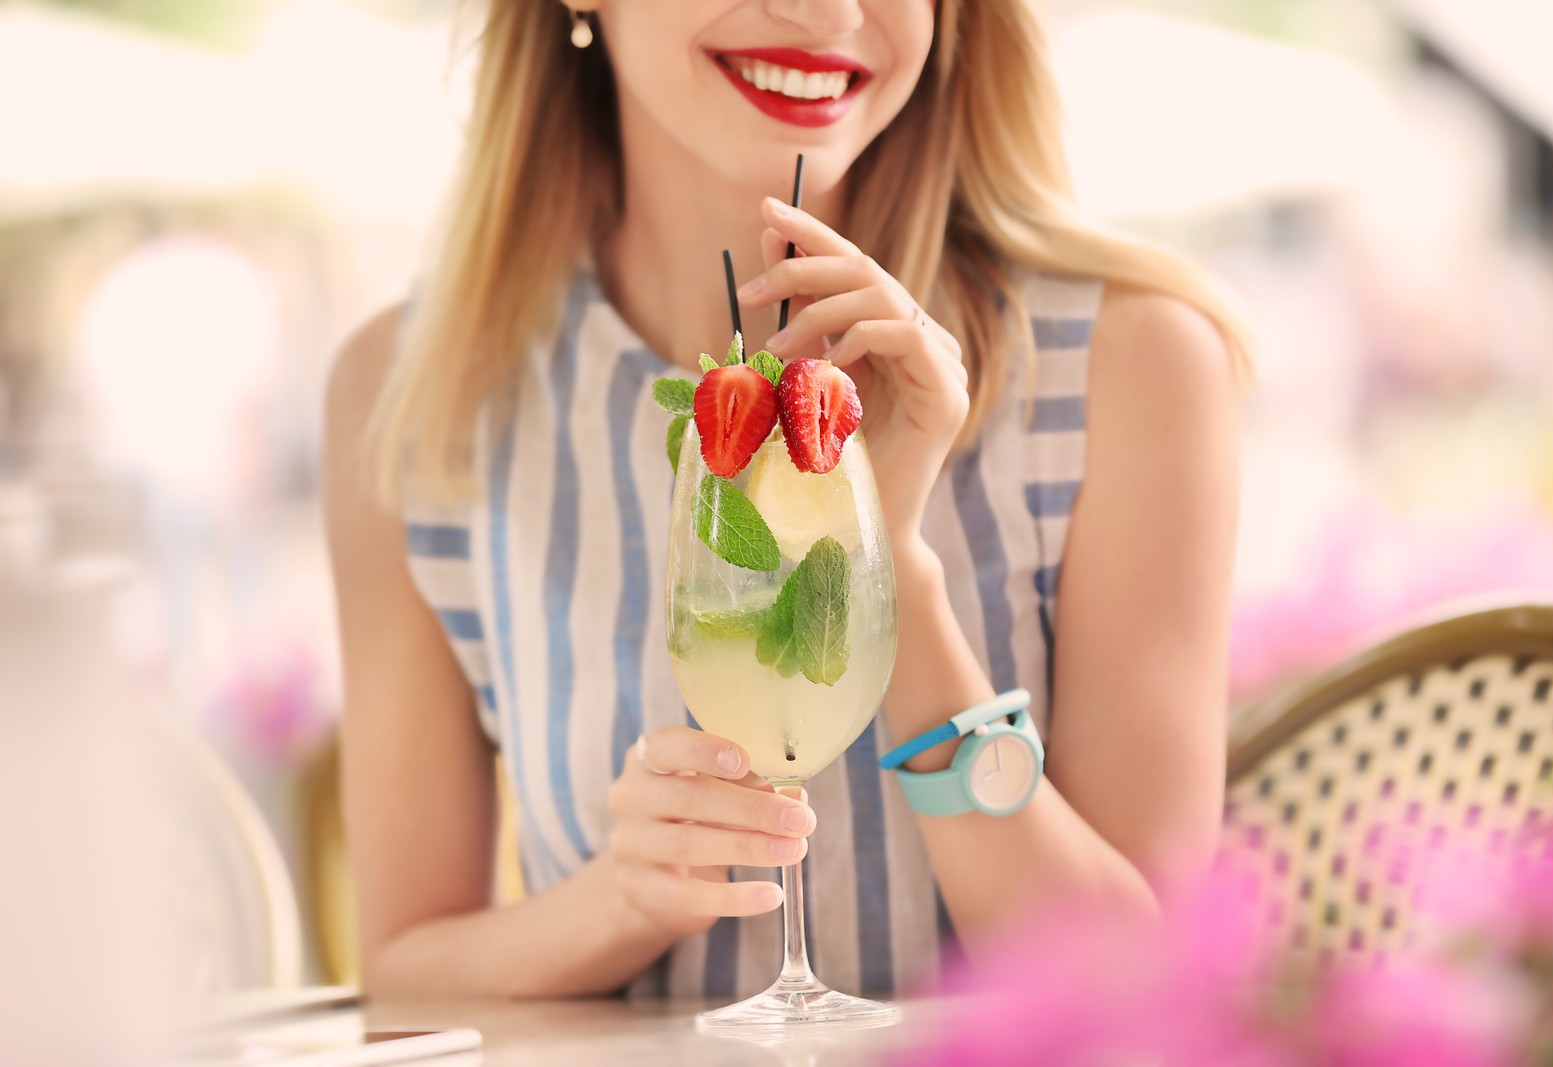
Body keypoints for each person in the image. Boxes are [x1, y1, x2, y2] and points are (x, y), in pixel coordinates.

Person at [324, 0, 1248, 1001]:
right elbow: (404, 970)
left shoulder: (1131, 364)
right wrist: (621, 899)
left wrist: (891, 560)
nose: (826, 13)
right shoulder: (414, 395)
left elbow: (1146, 991)